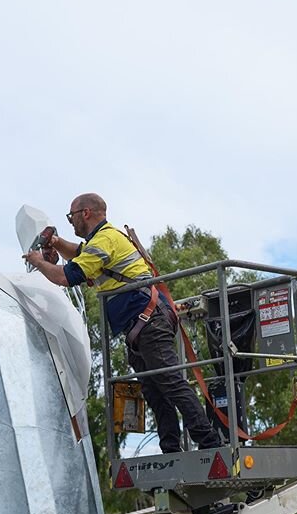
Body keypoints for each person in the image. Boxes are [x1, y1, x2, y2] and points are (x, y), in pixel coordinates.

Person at [23, 193, 221, 453]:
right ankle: (171, 450)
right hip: (141, 325)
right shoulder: (102, 241)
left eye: (71, 216)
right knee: (155, 390)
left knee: (170, 382)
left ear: (86, 213)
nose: (70, 221)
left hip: (148, 321)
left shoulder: (104, 240)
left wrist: (38, 261)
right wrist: (57, 243)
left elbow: (65, 276)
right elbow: (79, 254)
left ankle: (211, 445)